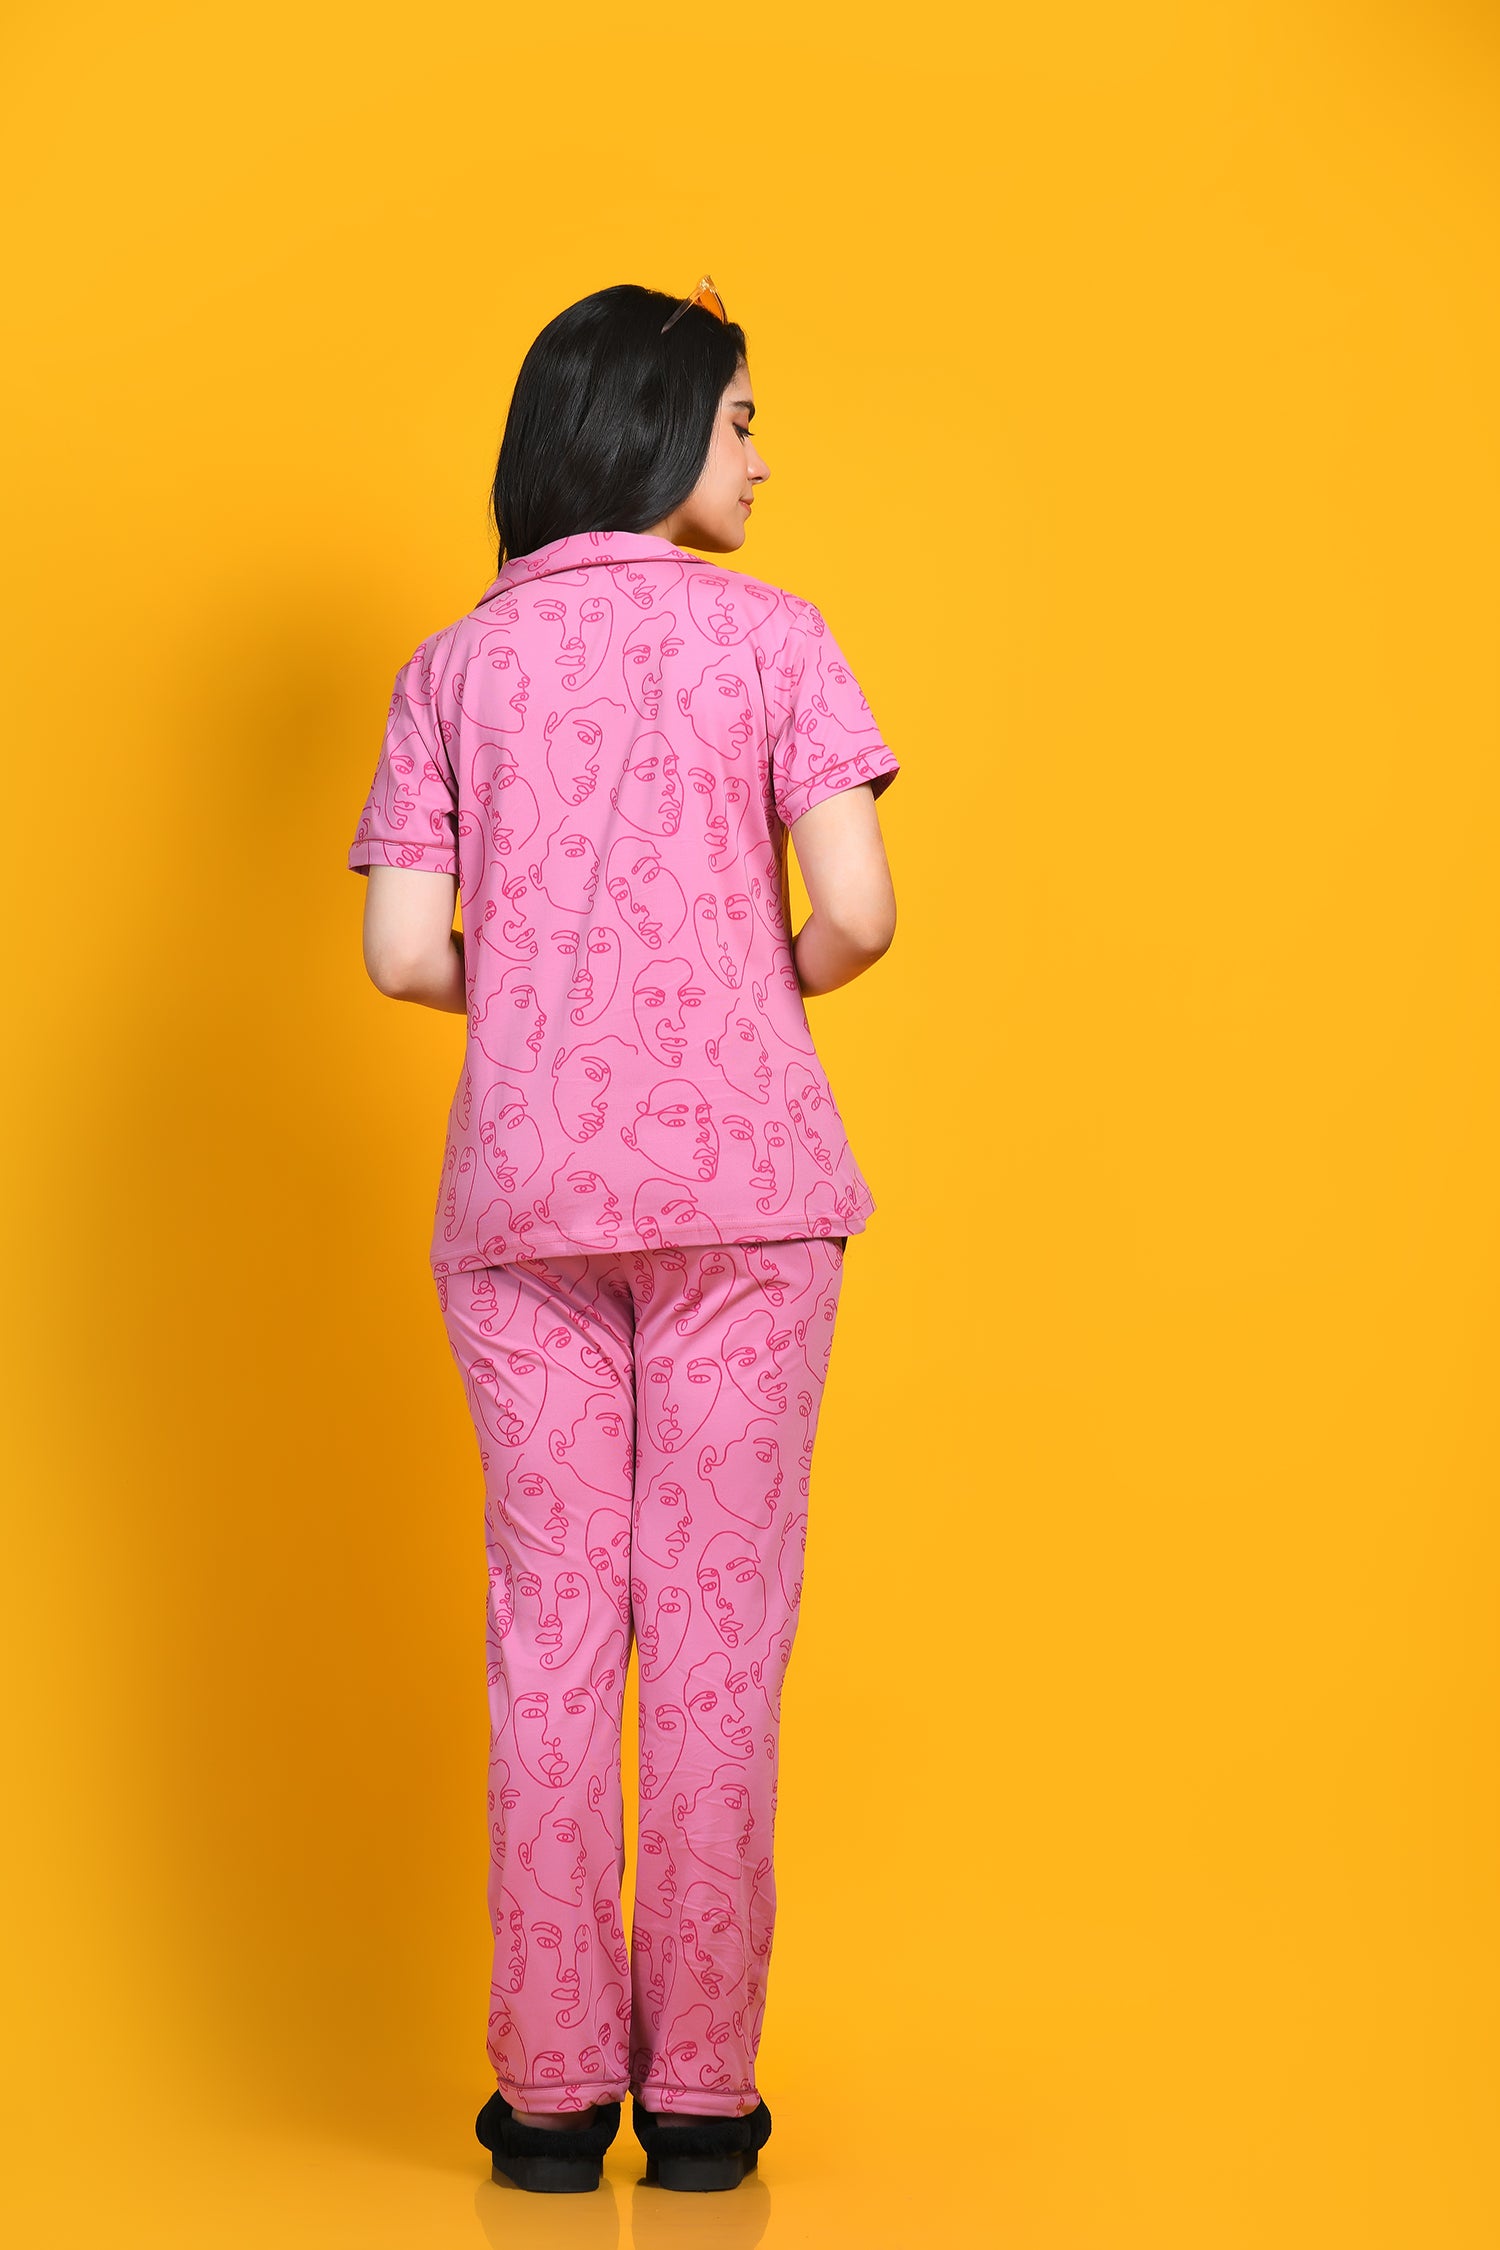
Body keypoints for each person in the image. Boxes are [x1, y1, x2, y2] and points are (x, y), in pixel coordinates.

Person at [346, 277, 900, 2194]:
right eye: (743, 417)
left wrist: (560, 992)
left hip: (521, 1205)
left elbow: (406, 951)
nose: (762, 451)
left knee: (555, 1639)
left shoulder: (450, 669)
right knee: (720, 1646)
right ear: (653, 427)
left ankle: (555, 2096)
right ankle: (705, 2102)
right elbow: (862, 914)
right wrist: (744, 980)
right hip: (745, 1198)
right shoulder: (775, 641)